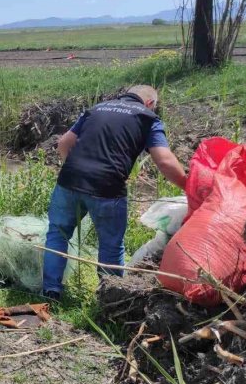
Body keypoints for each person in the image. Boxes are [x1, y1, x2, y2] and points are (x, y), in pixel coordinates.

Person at [41, 85, 187, 300]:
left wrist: (72, 167)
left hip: (69, 181)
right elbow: (165, 161)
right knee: (110, 245)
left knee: (57, 234)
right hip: (107, 188)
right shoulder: (148, 117)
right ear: (150, 103)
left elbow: (64, 143)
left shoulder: (96, 109)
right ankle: (108, 298)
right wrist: (188, 186)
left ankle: (51, 291)